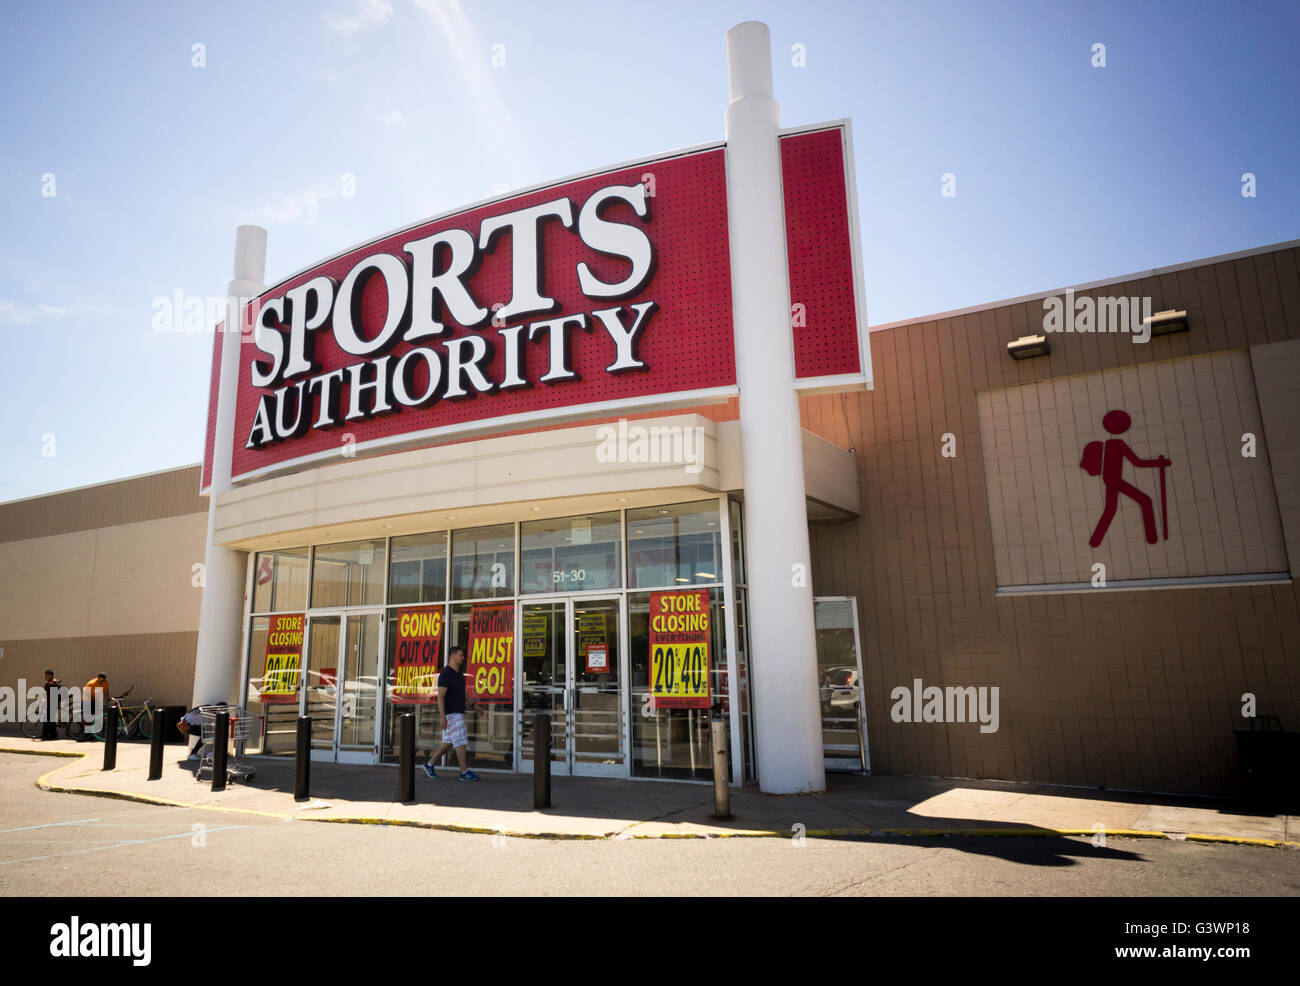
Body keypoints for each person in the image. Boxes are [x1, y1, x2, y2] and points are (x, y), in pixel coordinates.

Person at [423, 647, 479, 781]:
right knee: (460, 742)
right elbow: (440, 697)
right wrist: (443, 717)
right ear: (453, 656)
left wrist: (473, 704)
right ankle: (464, 772)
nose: (463, 658)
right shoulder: (445, 674)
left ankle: (429, 764)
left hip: (458, 712)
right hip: (451, 714)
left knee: (448, 743)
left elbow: (462, 692)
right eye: (461, 655)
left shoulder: (459, 673)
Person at [39, 670, 61, 740]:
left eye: (46, 675)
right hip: (53, 704)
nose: (45, 677)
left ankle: (49, 736)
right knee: (50, 721)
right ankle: (48, 735)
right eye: (45, 675)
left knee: (48, 721)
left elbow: (48, 695)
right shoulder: (55, 682)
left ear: (51, 676)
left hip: (50, 705)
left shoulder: (49, 684)